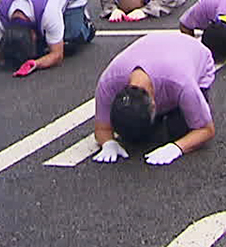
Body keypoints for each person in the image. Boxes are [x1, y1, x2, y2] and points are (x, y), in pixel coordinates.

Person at [90, 32, 216, 166]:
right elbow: (102, 128)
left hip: (194, 52)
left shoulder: (182, 84)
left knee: (178, 131)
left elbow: (205, 129)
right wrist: (108, 143)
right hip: (155, 49)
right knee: (134, 139)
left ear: (155, 106)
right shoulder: (108, 82)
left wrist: (177, 148)